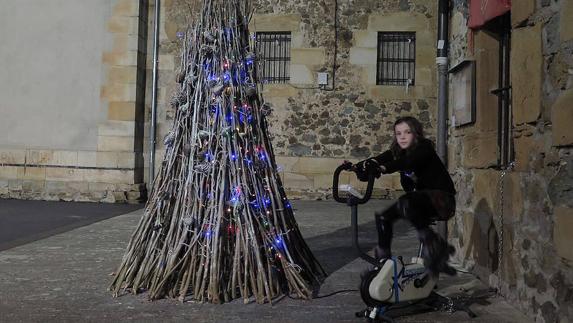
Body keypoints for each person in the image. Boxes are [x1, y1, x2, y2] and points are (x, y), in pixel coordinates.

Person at [354, 116, 457, 276]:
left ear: (416, 134)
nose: (402, 136)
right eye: (398, 133)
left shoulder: (424, 148)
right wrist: (359, 167)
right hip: (415, 203)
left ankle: (435, 246)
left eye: (407, 132)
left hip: (442, 200)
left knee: (406, 201)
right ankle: (384, 262)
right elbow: (379, 159)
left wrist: (382, 168)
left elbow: (407, 162)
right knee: (383, 218)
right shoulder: (397, 151)